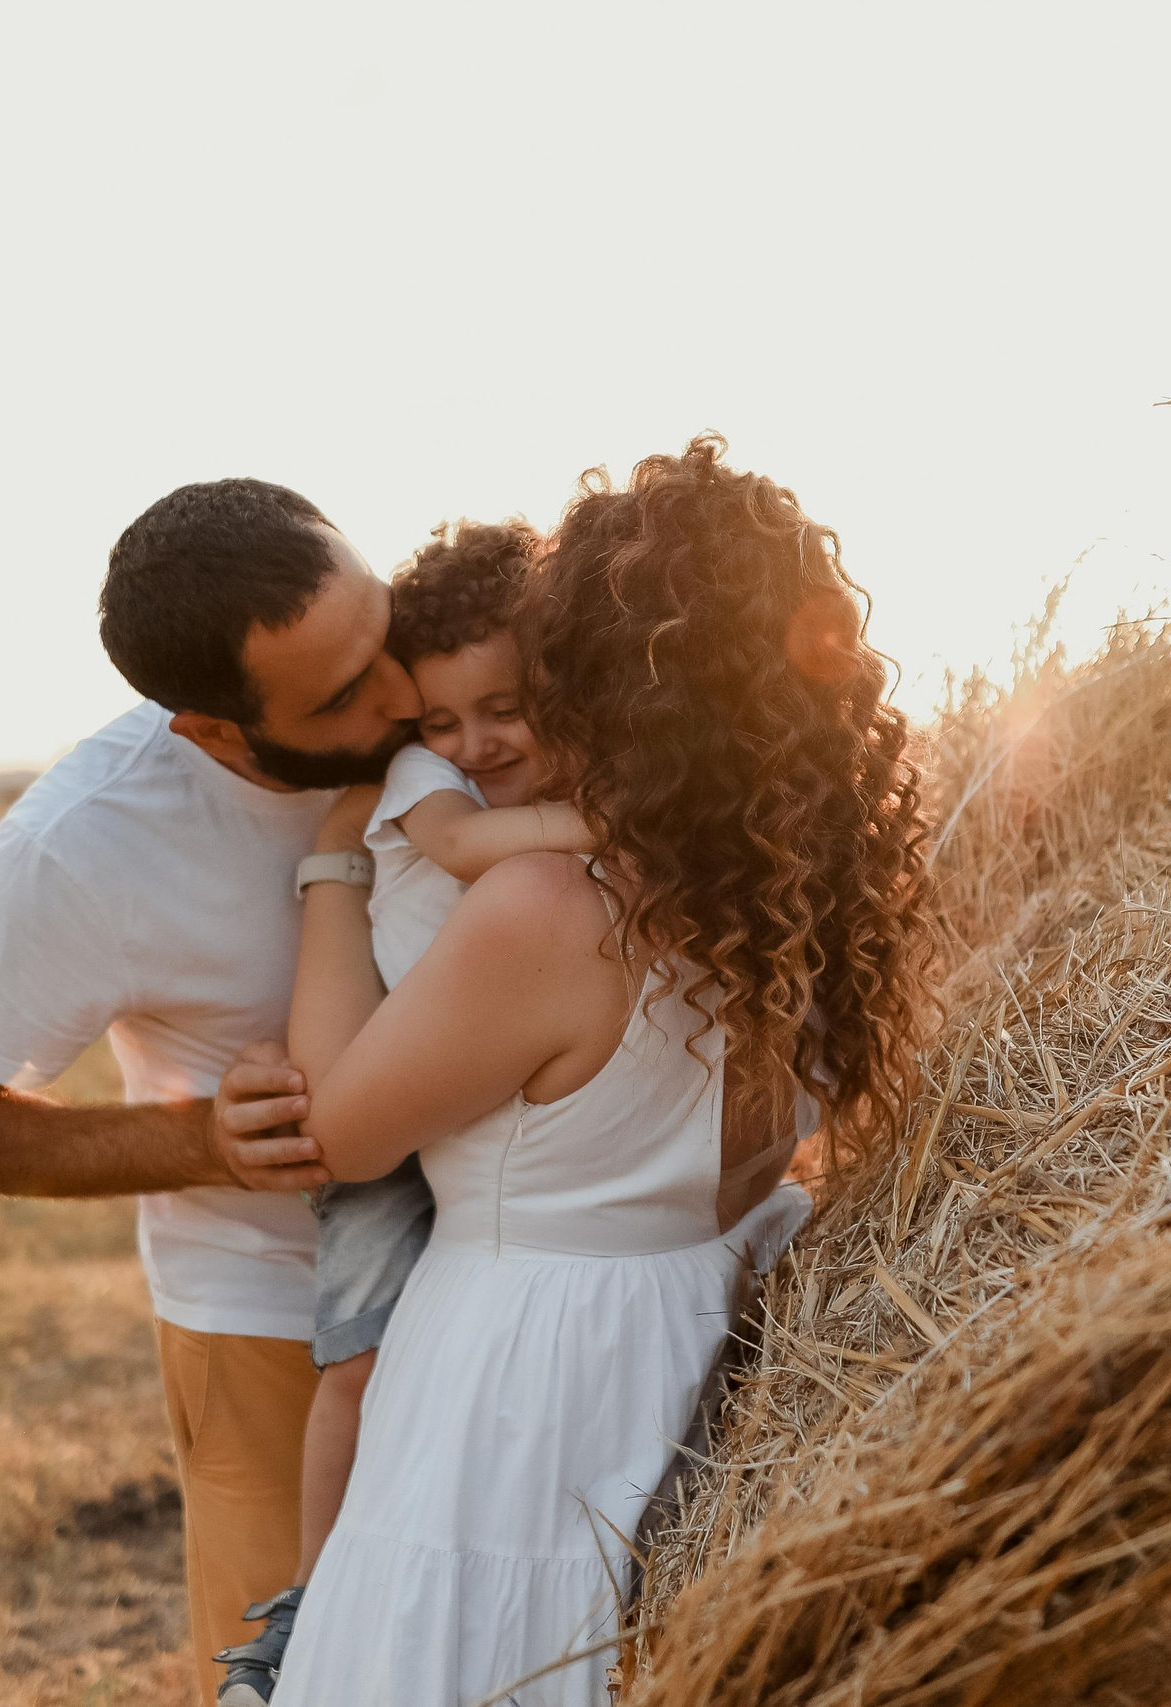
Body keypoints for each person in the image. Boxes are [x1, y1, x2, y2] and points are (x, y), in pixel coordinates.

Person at [270, 436, 933, 1706]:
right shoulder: (799, 878)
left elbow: (341, 1138)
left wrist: (330, 869)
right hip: (709, 1326)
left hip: (531, 1393)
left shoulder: (545, 907)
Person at [0, 478, 419, 1706]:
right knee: (306, 1678)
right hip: (273, 1325)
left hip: (509, 1278)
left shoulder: (462, 679)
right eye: (340, 696)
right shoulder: (83, 845)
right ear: (213, 733)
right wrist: (203, 1140)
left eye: (385, 634)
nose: (402, 695)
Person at [216, 519, 595, 1706]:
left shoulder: (505, 761)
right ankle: (310, 1605)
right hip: (393, 1109)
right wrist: (627, 827)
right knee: (363, 1364)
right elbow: (475, 847)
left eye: (504, 709)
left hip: (476, 1127)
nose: (471, 741)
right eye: (441, 720)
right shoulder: (437, 786)